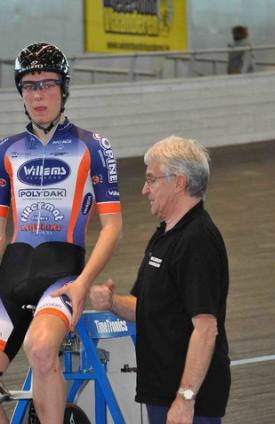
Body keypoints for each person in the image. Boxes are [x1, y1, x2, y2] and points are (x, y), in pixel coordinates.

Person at [0, 42, 123, 424]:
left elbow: (113, 226)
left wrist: (85, 282)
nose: (39, 94)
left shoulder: (93, 146)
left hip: (62, 275)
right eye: (29, 85)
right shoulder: (5, 150)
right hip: (13, 274)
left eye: (48, 84)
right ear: (21, 92)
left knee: (40, 350)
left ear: (63, 88)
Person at [89, 136, 231, 424]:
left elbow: (205, 329)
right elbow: (147, 306)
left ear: (179, 182)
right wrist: (112, 302)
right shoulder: (165, 236)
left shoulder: (197, 241)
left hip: (188, 403)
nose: (144, 190)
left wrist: (185, 398)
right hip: (162, 393)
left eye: (151, 180)